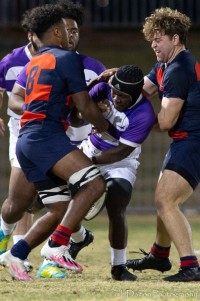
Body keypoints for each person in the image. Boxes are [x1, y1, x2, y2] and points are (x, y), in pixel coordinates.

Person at [0, 3, 109, 281]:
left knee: (58, 208)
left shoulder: (35, 61)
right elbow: (83, 107)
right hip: (45, 137)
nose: (72, 35)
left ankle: (16, 254)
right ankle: (57, 249)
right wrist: (106, 128)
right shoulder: (67, 58)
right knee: (94, 183)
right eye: (67, 29)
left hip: (27, 139)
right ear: (57, 32)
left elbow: (71, 112)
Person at [126, 7, 200, 282]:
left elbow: (166, 120)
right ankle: (159, 255)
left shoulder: (179, 69)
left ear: (176, 39)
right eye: (152, 39)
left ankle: (191, 266)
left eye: (158, 38)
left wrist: (128, 128)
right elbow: (139, 91)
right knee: (163, 200)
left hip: (194, 141)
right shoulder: (164, 66)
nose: (153, 44)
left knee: (165, 200)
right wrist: (115, 81)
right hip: (185, 141)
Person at [71, 64, 155, 281]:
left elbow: (121, 151)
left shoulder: (144, 114)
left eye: (122, 96)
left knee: (118, 198)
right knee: (60, 194)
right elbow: (76, 116)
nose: (116, 99)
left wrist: (88, 163)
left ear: (136, 94)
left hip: (120, 161)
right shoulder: (104, 88)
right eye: (114, 93)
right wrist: (96, 82)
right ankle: (79, 238)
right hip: (91, 147)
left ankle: (118, 266)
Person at [0, 26, 39, 272]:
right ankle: (11, 243)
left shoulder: (59, 58)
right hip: (21, 130)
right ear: (30, 35)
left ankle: (15, 251)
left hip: (49, 130)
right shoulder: (12, 61)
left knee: (31, 191)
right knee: (23, 191)